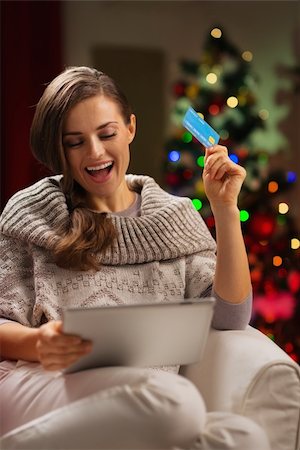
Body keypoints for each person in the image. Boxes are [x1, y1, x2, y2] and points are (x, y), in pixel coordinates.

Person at [0, 66, 269, 450]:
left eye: (106, 134)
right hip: (43, 383)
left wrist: (225, 209)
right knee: (177, 403)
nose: (95, 152)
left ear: (130, 128)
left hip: (141, 401)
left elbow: (230, 316)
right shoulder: (31, 211)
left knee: (245, 437)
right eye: (75, 142)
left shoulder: (173, 217)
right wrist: (37, 342)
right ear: (60, 149)